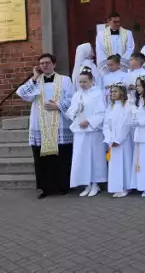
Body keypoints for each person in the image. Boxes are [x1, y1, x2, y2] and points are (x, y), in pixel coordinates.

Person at [17, 54, 74, 199]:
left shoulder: (65, 80)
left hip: (59, 122)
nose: (44, 66)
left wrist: (58, 105)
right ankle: (45, 188)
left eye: (47, 63)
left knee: (61, 156)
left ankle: (62, 186)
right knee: (42, 157)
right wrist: (35, 77)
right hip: (40, 123)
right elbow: (22, 94)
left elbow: (71, 98)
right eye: (41, 63)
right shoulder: (36, 81)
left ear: (54, 64)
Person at [67, 68, 106, 198]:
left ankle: (95, 184)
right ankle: (86, 184)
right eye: (80, 82)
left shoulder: (98, 93)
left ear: (91, 81)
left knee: (94, 157)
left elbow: (101, 112)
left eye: (84, 81)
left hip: (93, 131)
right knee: (81, 157)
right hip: (80, 131)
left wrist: (89, 121)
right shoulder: (77, 95)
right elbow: (71, 109)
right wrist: (75, 115)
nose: (82, 84)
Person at [103, 82, 133, 198]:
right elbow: (106, 124)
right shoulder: (110, 107)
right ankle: (116, 186)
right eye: (111, 92)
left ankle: (126, 186)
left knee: (124, 162)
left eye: (115, 91)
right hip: (112, 141)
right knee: (115, 164)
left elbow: (126, 124)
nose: (112, 94)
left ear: (122, 92)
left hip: (123, 141)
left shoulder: (127, 106)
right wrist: (109, 137)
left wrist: (118, 139)